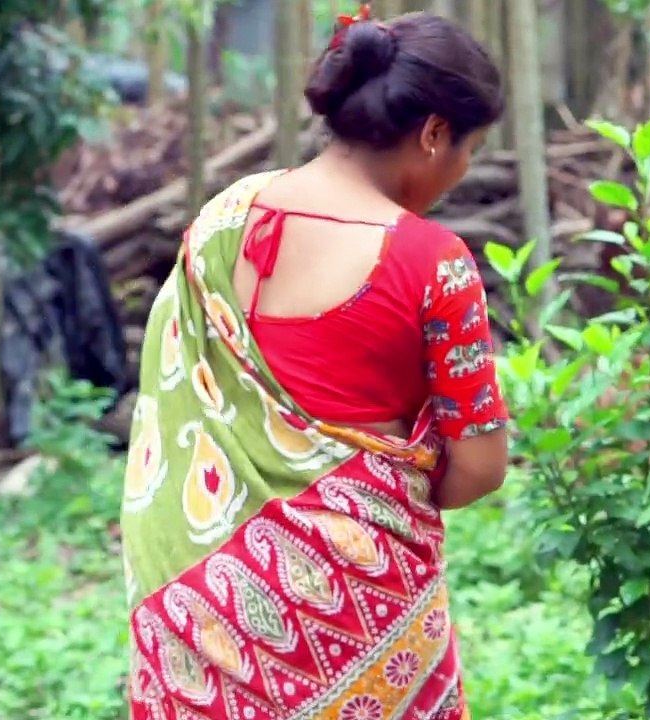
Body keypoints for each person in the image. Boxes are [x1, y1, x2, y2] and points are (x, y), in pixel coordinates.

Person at [120, 7, 508, 719]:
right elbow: (479, 468)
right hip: (359, 618)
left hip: (204, 617)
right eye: (470, 148)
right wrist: (376, 481)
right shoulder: (434, 263)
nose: (462, 170)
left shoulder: (222, 221)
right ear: (432, 134)